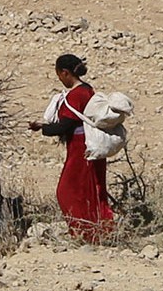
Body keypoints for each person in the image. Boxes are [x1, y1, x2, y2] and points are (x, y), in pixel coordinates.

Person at [28, 54, 113, 243]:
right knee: (92, 188)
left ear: (65, 73)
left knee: (68, 191)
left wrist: (42, 127)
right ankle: (99, 230)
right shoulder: (87, 90)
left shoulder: (76, 95)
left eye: (59, 74)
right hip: (89, 146)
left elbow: (64, 126)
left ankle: (84, 232)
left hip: (80, 148)